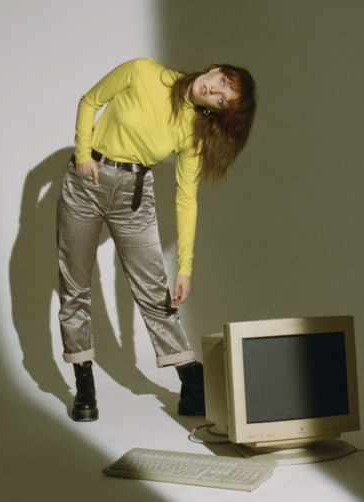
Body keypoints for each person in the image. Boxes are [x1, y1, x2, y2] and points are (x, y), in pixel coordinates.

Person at [56, 57, 257, 422]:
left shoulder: (193, 130)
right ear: (214, 69)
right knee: (75, 286)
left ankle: (191, 380)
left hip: (133, 195)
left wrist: (185, 268)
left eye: (222, 99)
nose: (214, 91)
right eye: (222, 82)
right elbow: (89, 101)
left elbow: (187, 199)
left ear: (215, 111)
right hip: (87, 183)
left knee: (153, 291)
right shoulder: (143, 71)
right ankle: (84, 382)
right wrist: (83, 154)